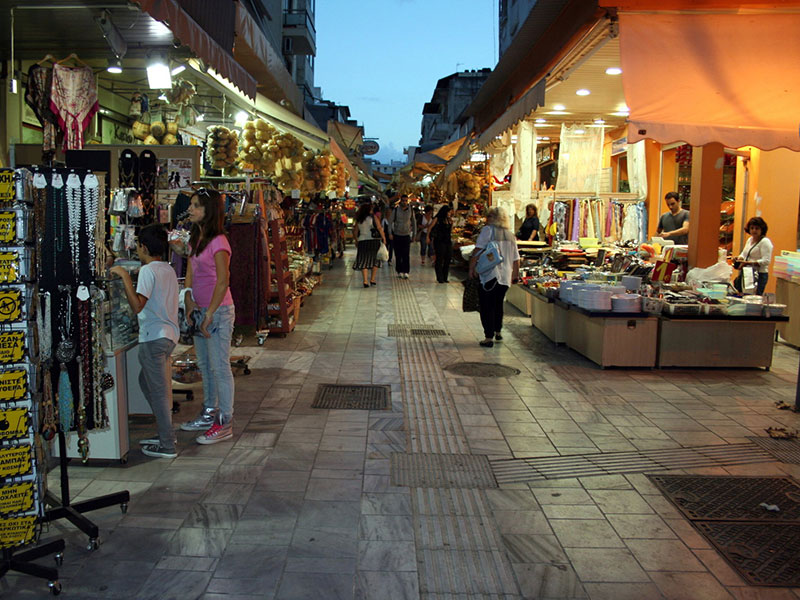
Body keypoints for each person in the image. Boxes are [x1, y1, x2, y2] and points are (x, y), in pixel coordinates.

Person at [110, 224, 179, 458]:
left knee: (158, 391)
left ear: (144, 247)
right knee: (146, 382)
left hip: (154, 338)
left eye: (138, 245)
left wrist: (125, 277)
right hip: (168, 336)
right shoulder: (167, 269)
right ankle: (164, 431)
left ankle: (168, 444)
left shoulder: (149, 271)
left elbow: (138, 304)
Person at [180, 188, 237, 444]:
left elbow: (223, 281)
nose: (190, 209)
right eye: (191, 205)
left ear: (208, 210)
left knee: (220, 367)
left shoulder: (219, 242)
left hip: (219, 312)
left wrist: (210, 313)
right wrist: (189, 299)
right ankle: (208, 412)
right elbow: (191, 271)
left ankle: (225, 421)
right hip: (200, 310)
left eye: (195, 205)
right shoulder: (196, 238)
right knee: (205, 366)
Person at [469, 207, 520, 348]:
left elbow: (477, 250)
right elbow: (516, 258)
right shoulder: (510, 235)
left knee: (487, 306)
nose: (487, 218)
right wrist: (515, 275)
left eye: (489, 216)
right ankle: (498, 331)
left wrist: (472, 268)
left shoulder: (488, 231)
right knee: (498, 304)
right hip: (505, 277)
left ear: (494, 218)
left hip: (490, 275)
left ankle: (488, 337)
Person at [736, 216, 773, 295]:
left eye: (757, 228)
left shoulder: (765, 242)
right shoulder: (750, 240)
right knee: (743, 294)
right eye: (752, 228)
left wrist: (748, 263)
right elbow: (744, 253)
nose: (754, 230)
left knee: (754, 297)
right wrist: (739, 258)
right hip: (747, 273)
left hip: (759, 274)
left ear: (762, 229)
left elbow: (766, 261)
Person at [352, 202, 386, 287]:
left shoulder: (359, 219)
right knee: (375, 260)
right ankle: (373, 279)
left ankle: (365, 281)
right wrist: (384, 238)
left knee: (364, 260)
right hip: (373, 241)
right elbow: (379, 228)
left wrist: (356, 240)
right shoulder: (373, 217)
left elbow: (355, 231)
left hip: (362, 241)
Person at [389, 194, 416, 279]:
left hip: (406, 235)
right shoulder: (396, 210)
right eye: (403, 200)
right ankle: (399, 270)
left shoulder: (411, 210)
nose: (404, 202)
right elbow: (390, 222)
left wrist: (414, 234)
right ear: (400, 201)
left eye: (406, 201)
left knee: (406, 254)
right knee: (398, 254)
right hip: (397, 234)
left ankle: (406, 271)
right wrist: (390, 233)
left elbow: (414, 222)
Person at [427, 205, 453, 283]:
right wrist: (428, 237)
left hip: (447, 241)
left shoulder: (449, 220)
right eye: (448, 212)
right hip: (439, 241)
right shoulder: (437, 219)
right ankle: (440, 277)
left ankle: (445, 276)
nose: (449, 213)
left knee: (448, 258)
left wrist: (451, 223)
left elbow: (450, 230)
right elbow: (430, 228)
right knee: (439, 259)